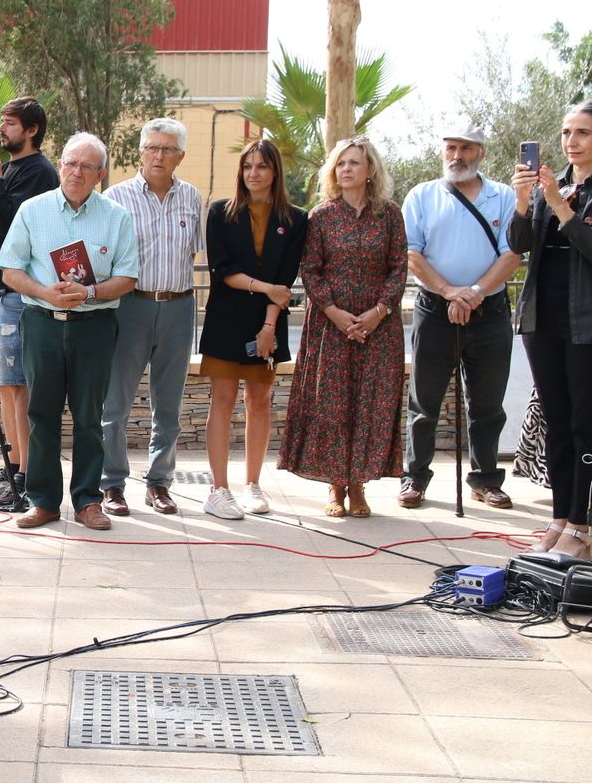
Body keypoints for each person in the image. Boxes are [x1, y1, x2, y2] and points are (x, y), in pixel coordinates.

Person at [0, 133, 140, 531]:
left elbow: (128, 277)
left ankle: (88, 501)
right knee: (41, 414)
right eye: (70, 163)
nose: (76, 172)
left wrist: (89, 291)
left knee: (90, 416)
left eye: (86, 166)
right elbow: (9, 269)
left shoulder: (116, 217)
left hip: (94, 327)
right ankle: (43, 501)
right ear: (60, 165)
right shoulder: (32, 210)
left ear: (100, 174)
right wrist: (45, 292)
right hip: (42, 324)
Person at [278, 136, 407, 518]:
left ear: (371, 171)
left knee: (370, 405)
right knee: (333, 406)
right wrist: (334, 312)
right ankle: (336, 487)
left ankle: (359, 484)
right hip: (330, 326)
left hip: (378, 328)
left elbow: (399, 267)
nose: (347, 169)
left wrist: (378, 312)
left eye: (354, 163)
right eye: (341, 164)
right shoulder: (321, 216)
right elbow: (311, 269)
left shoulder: (390, 214)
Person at [398, 119, 520, 510]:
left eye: (466, 148)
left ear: (480, 153)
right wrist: (450, 291)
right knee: (424, 401)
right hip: (435, 309)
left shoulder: (503, 196)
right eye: (450, 147)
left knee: (487, 402)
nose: (457, 155)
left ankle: (485, 480)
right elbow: (412, 254)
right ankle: (414, 478)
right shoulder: (421, 195)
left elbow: (512, 253)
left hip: (490, 310)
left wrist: (474, 294)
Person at [509, 99, 592, 558]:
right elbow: (519, 244)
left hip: (590, 323)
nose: (572, 141)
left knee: (586, 425)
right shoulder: (557, 185)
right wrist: (525, 202)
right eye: (567, 132)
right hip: (542, 318)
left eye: (583, 132)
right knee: (557, 421)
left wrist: (560, 208)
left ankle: (584, 527)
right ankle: (561, 518)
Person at [98, 118, 202, 517]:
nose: (159, 155)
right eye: (152, 147)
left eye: (167, 149)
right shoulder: (117, 197)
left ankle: (160, 483)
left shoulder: (192, 198)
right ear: (140, 152)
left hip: (178, 306)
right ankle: (112, 484)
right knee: (116, 402)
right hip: (131, 306)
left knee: (169, 404)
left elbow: (191, 252)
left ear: (180, 156)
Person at [198, 140, 307, 519]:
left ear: (275, 171)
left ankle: (253, 484)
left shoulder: (295, 219)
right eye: (248, 166)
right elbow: (223, 271)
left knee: (259, 402)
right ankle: (218, 489)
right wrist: (264, 289)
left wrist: (269, 326)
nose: (254, 174)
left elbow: (286, 279)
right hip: (226, 318)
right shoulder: (219, 213)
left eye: (262, 166)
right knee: (222, 402)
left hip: (268, 321)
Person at [0, 97, 59, 510]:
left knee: (19, 388)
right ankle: (12, 464)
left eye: (10, 123)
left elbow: (9, 223)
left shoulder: (40, 172)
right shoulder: (10, 169)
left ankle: (24, 477)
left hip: (18, 295)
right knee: (5, 386)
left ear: (31, 130)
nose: (2, 129)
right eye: (1, 122)